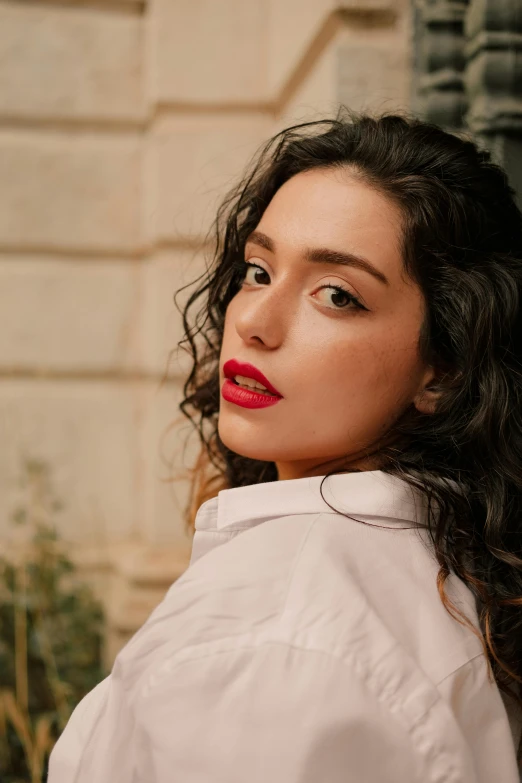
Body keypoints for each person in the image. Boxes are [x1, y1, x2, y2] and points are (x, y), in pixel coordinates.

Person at [48, 111, 522, 782]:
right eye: (258, 270)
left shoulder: (275, 636)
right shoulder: (438, 569)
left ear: (441, 369)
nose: (255, 322)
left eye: (337, 295)